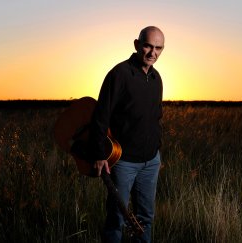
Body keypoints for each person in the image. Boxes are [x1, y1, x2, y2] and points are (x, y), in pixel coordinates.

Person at [89, 26, 165, 243]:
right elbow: (100, 117)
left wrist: (156, 153)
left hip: (150, 161)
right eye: (148, 46)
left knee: (145, 218)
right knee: (116, 219)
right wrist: (99, 154)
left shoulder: (156, 78)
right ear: (136, 44)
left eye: (158, 48)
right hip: (122, 162)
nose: (152, 52)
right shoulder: (119, 74)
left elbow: (155, 118)